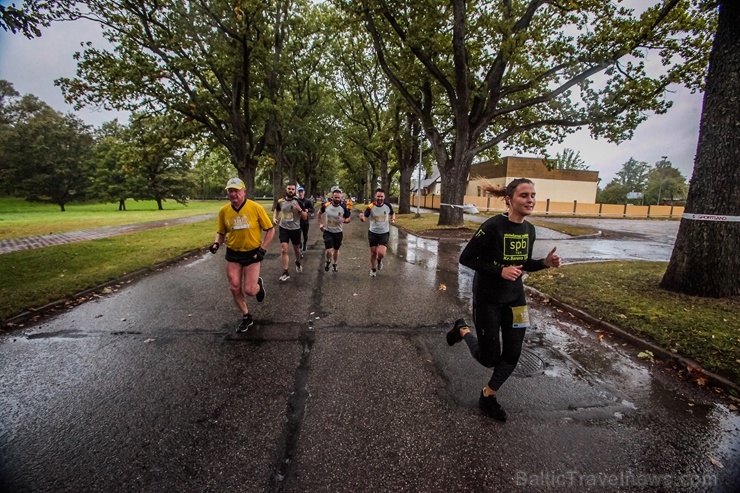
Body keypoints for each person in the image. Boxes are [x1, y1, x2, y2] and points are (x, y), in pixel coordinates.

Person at [446, 178, 561, 421]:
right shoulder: (492, 226)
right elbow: (467, 258)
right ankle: (462, 330)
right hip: (488, 298)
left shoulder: (529, 229)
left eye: (532, 195)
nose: (530, 200)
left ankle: (489, 395)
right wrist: (500, 271)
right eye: (524, 195)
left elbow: (524, 263)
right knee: (489, 357)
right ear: (509, 199)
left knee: (513, 353)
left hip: (515, 299)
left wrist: (544, 263)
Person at [209, 178, 275, 333]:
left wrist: (263, 249)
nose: (233, 194)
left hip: (252, 254)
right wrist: (217, 243)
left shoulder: (255, 208)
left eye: (236, 191)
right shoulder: (224, 211)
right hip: (233, 253)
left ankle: (259, 287)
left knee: (250, 290)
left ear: (244, 191)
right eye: (230, 191)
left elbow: (270, 229)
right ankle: (246, 316)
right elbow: (221, 232)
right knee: (234, 287)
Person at [273, 183, 308, 282]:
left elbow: (305, 217)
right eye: (289, 189)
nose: (291, 190)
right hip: (283, 228)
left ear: (295, 190)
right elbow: (277, 209)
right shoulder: (281, 201)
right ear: (286, 189)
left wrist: (300, 210)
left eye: (293, 189)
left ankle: (297, 261)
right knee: (284, 250)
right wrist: (274, 217)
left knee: (296, 249)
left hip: (295, 229)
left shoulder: (298, 202)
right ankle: (285, 272)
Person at [359, 188, 395, 277]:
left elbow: (392, 213)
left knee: (381, 253)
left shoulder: (388, 205)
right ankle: (373, 269)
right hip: (373, 232)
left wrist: (393, 219)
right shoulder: (370, 206)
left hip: (384, 232)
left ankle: (379, 261)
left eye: (381, 196)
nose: (379, 198)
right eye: (378, 196)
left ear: (384, 197)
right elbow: (364, 218)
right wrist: (361, 218)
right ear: (375, 196)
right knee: (373, 253)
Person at [317, 189, 351, 273]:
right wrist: (321, 224)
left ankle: (335, 264)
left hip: (338, 232)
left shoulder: (343, 207)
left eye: (338, 198)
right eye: (335, 197)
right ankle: (328, 261)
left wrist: (344, 220)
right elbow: (319, 213)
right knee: (329, 250)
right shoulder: (326, 205)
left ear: (341, 198)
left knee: (336, 250)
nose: (337, 199)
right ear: (332, 197)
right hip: (328, 231)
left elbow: (348, 219)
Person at [296, 186, 315, 255]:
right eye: (299, 192)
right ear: (297, 193)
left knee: (305, 234)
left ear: (304, 192)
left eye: (301, 192)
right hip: (298, 221)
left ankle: (305, 243)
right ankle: (300, 246)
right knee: (298, 235)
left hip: (305, 221)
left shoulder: (307, 201)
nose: (300, 193)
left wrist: (308, 210)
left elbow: (313, 210)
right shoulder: (296, 201)